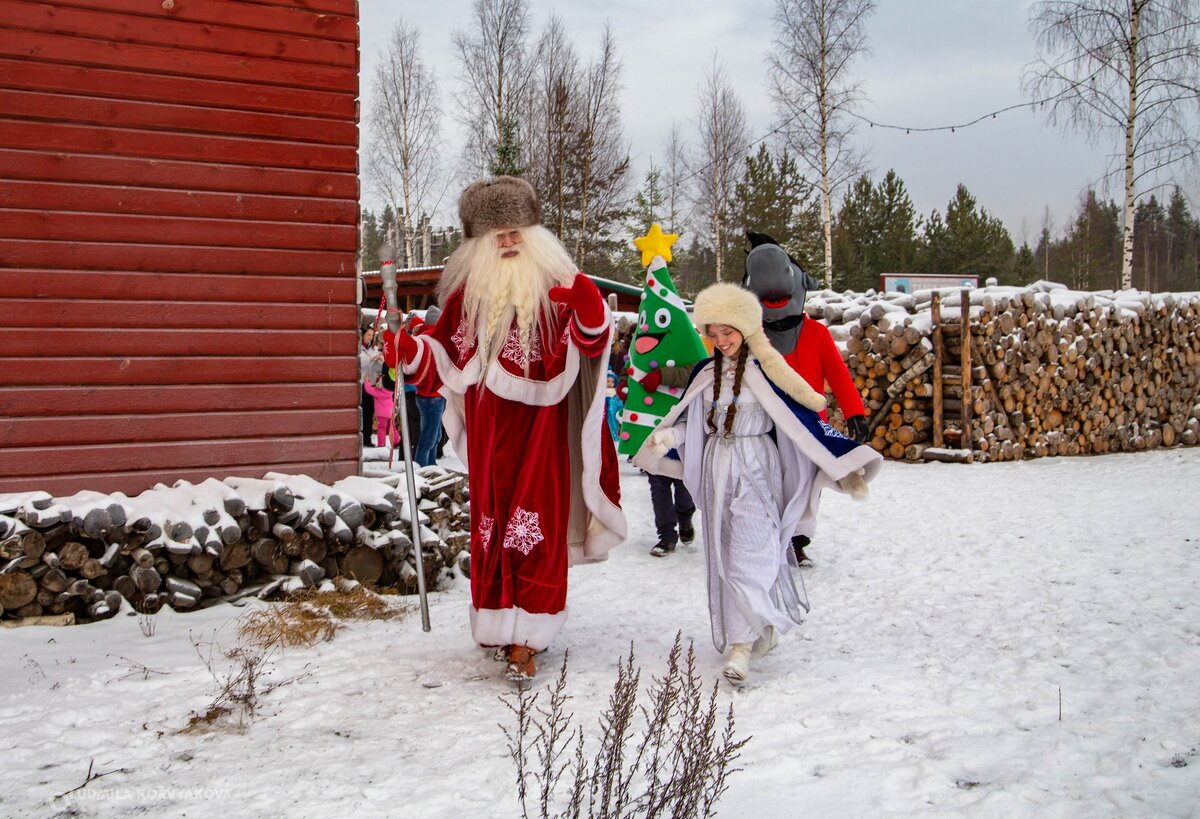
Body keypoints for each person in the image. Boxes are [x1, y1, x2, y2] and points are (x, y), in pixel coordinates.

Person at [385, 175, 626, 683]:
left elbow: (591, 341)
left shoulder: (557, 284)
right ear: (479, 245)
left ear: (533, 233)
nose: (509, 241)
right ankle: (497, 625)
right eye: (497, 235)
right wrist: (409, 353)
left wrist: (588, 312)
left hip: (543, 429)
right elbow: (441, 356)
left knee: (533, 525)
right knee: (492, 527)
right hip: (490, 431)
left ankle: (528, 636)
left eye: (516, 231)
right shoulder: (467, 298)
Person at [634, 283, 882, 686]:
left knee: (750, 551)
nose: (719, 340)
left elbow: (807, 425)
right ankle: (752, 632)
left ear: (745, 327)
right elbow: (692, 423)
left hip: (756, 469)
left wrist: (845, 469)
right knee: (725, 554)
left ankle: (742, 647)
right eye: (712, 333)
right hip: (717, 469)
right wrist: (669, 438)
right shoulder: (705, 373)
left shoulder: (768, 370)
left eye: (726, 331)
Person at [743, 232, 870, 566]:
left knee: (805, 486)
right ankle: (770, 537)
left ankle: (797, 541)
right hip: (763, 425)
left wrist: (855, 412)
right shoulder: (751, 338)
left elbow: (838, 375)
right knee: (767, 483)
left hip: (809, 428)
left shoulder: (817, 334)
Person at [644, 364, 696, 558]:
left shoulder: (689, 342)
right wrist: (626, 385)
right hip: (651, 426)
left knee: (684, 489)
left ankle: (685, 517)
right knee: (658, 486)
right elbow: (631, 370)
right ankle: (667, 535)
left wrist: (662, 375)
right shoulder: (640, 341)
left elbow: (695, 372)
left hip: (682, 430)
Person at [413, 304, 447, 467]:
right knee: (429, 438)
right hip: (434, 394)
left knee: (434, 435)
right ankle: (423, 471)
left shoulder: (420, 338)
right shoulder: (435, 339)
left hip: (424, 394)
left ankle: (431, 466)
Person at [359, 326, 382, 446]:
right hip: (361, 384)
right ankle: (359, 437)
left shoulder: (374, 349)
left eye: (372, 335)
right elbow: (359, 362)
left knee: (369, 413)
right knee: (360, 413)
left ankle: (367, 438)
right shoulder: (358, 349)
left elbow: (378, 365)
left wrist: (379, 359)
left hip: (371, 385)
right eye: (368, 335)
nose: (370, 337)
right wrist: (371, 359)